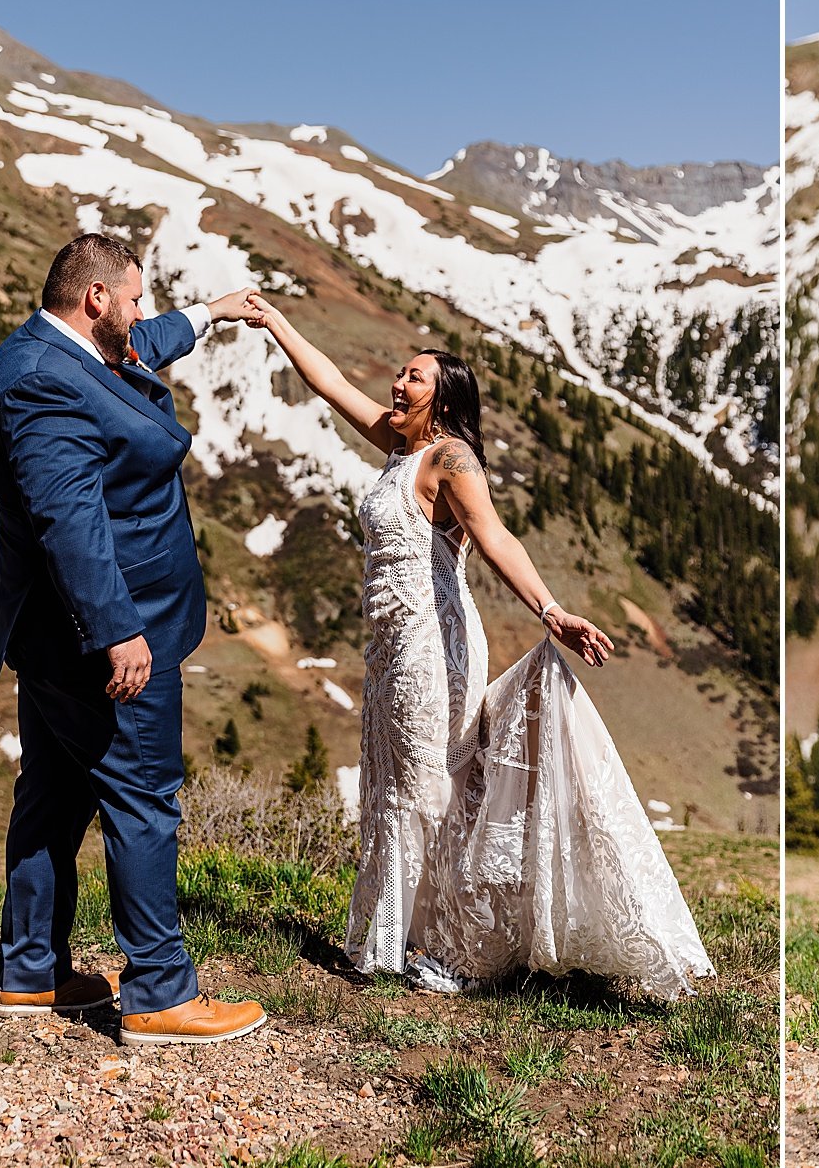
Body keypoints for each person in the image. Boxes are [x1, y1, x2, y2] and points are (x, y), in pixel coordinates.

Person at [245, 293, 714, 998]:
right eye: (399, 375)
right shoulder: (400, 447)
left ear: (443, 398)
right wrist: (274, 321)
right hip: (389, 645)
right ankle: (393, 940)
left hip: (433, 645)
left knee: (428, 790)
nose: (397, 384)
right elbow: (330, 384)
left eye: (414, 378)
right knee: (394, 787)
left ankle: (449, 946)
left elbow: (494, 537)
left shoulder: (451, 456)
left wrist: (551, 610)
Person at [0, 233, 269, 1045]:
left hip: (54, 633)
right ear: (97, 299)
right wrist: (118, 633)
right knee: (143, 799)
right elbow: (68, 520)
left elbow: (148, 341)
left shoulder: (75, 344)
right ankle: (159, 993)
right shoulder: (40, 382)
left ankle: (31, 975)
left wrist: (213, 315)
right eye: (135, 298)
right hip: (102, 633)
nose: (142, 314)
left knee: (54, 794)